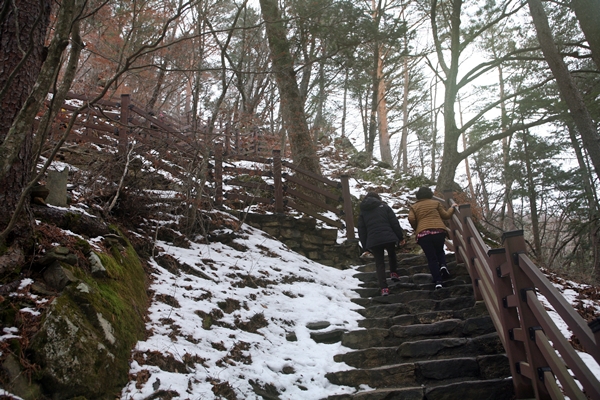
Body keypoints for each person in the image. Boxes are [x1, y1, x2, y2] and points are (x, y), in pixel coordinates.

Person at [357, 192, 405, 297]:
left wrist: (366, 246)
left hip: (374, 240)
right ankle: (393, 273)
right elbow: (394, 222)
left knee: (379, 263)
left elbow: (362, 230)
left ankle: (384, 288)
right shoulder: (384, 207)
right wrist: (400, 237)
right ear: (378, 198)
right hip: (388, 236)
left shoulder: (363, 212)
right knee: (392, 254)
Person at [408, 187, 456, 290]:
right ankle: (443, 265)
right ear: (430, 194)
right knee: (440, 251)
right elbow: (446, 215)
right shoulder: (435, 203)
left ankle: (438, 281)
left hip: (423, 234)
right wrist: (452, 207)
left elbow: (411, 218)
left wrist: (417, 227)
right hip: (438, 231)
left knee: (431, 258)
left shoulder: (414, 206)